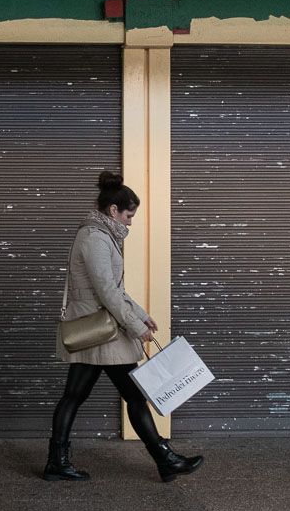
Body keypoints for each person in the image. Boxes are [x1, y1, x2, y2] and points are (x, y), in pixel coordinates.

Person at [43, 171, 204, 483]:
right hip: (102, 331)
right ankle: (165, 458)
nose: (131, 222)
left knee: (77, 395)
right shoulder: (94, 239)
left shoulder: (101, 236)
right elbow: (107, 292)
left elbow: (114, 288)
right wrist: (135, 326)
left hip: (101, 330)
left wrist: (141, 314)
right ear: (113, 211)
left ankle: (58, 461)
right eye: (129, 215)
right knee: (127, 394)